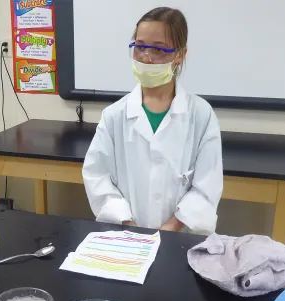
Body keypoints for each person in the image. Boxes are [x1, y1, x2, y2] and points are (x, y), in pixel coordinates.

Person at [82, 7, 222, 234]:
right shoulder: (114, 116)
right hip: (125, 236)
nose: (146, 58)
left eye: (157, 49)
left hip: (181, 241)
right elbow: (97, 176)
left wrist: (171, 228)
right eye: (139, 47)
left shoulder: (201, 116)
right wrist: (129, 224)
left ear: (180, 54)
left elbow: (207, 187)